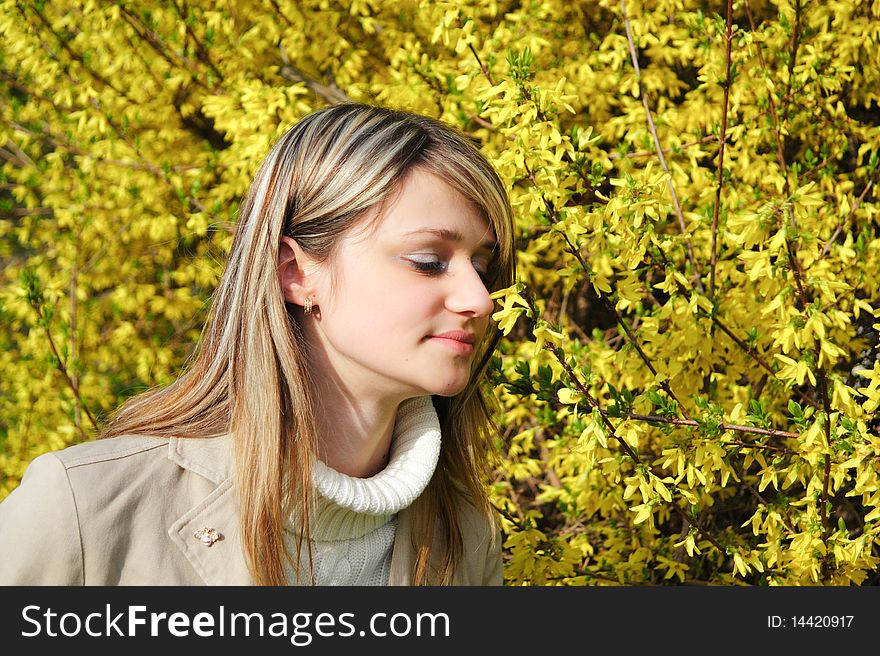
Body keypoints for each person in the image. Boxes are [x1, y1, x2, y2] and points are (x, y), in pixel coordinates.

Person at [0, 103, 516, 585]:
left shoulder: (467, 541)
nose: (480, 298)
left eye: (482, 267)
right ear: (295, 272)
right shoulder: (86, 508)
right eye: (428, 261)